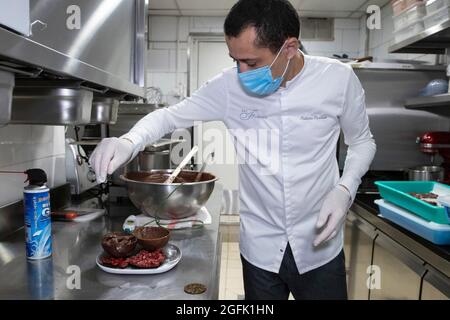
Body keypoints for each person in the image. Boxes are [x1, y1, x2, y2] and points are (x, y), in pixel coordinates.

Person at [90, 0, 376, 300]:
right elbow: (168, 116)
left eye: (251, 63)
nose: (241, 72)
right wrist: (127, 141)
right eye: (234, 60)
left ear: (289, 48)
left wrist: (345, 189)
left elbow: (363, 142)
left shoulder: (338, 79)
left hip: (321, 245)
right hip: (261, 250)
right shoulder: (228, 87)